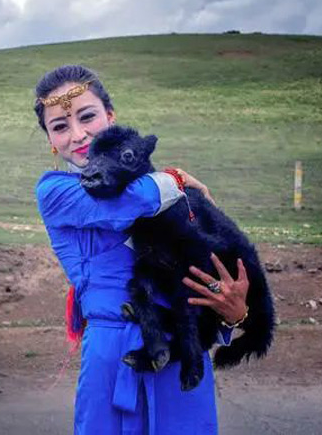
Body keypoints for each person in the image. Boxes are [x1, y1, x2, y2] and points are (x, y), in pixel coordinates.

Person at [33, 65, 250, 434]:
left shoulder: (160, 190)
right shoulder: (55, 192)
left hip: (182, 353)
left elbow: (205, 273)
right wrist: (175, 178)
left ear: (110, 117)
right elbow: (134, 201)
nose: (78, 134)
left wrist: (233, 315)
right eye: (60, 126)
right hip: (111, 358)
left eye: (87, 117)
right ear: (51, 140)